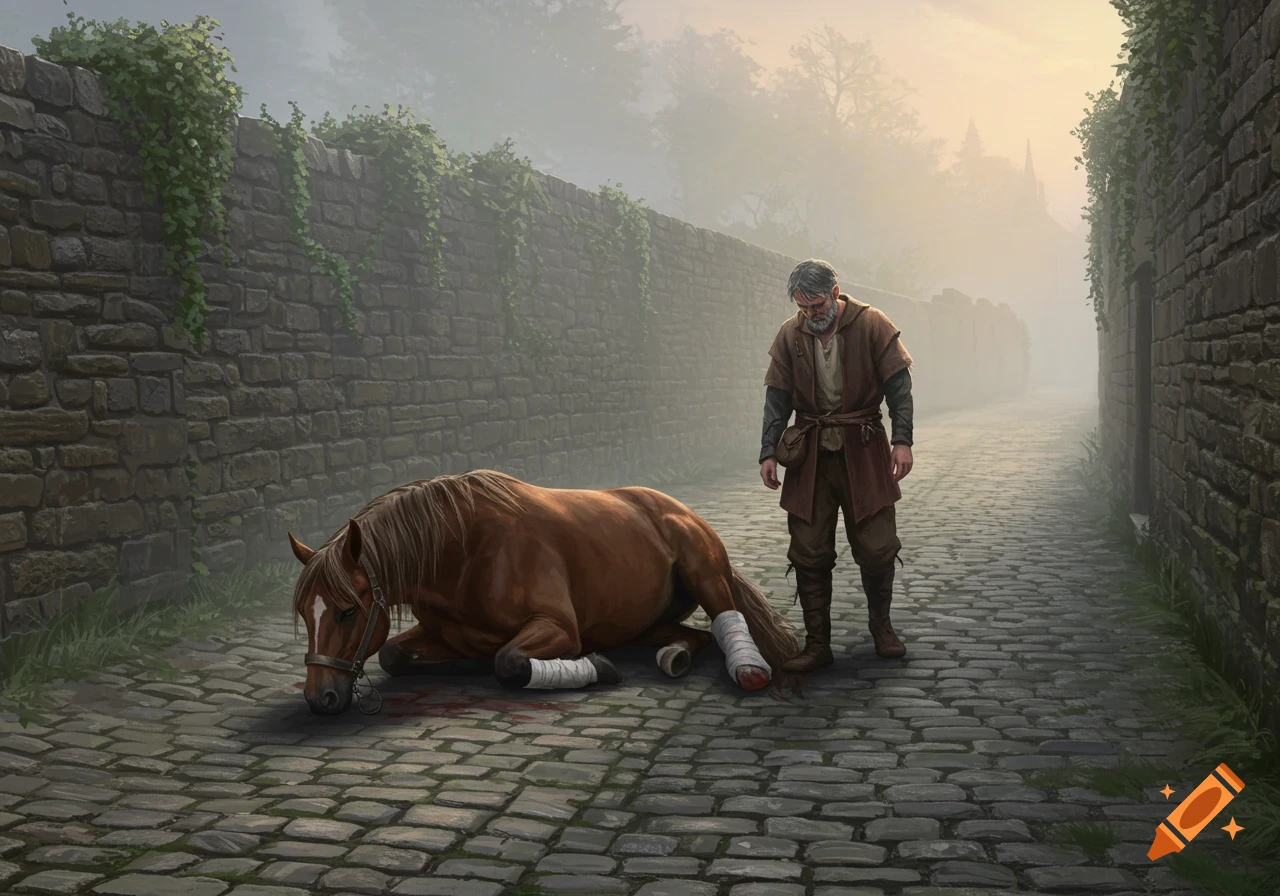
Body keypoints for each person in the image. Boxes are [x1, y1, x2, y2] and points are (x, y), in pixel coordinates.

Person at [759, 259, 915, 673]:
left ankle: (882, 628)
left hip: (863, 450)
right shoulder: (790, 334)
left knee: (878, 546)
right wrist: (768, 451)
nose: (811, 313)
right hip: (809, 457)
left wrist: (902, 441)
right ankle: (817, 644)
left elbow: (899, 388)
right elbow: (777, 398)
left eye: (817, 304)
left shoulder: (872, 324)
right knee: (808, 550)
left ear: (834, 292)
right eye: (803, 306)